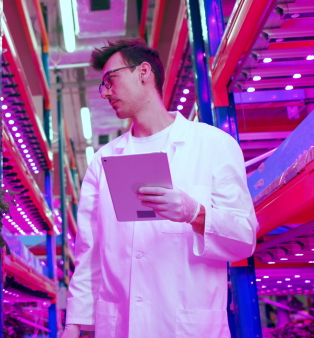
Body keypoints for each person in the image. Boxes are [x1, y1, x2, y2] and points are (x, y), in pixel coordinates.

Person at [61, 38, 258, 338]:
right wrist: (73, 325)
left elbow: (245, 237)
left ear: (143, 72)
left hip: (188, 327)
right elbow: (90, 253)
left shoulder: (213, 145)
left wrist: (197, 214)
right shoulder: (103, 161)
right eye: (103, 86)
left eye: (110, 80)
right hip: (120, 327)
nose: (105, 93)